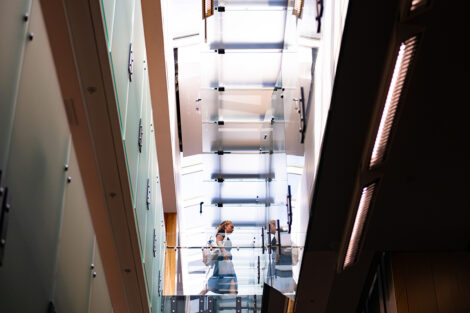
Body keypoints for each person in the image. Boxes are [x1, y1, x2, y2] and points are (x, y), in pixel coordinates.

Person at [199, 220, 238, 295]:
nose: (233, 229)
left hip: (224, 262)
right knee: (231, 281)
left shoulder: (225, 235)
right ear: (226, 226)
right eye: (231, 227)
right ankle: (234, 303)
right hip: (224, 261)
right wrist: (224, 252)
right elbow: (218, 242)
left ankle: (196, 297)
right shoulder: (221, 233)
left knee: (223, 280)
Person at [267, 220, 298, 294]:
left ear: (274, 225)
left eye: (269, 226)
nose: (267, 229)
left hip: (283, 264)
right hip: (283, 267)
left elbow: (287, 249)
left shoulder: (281, 234)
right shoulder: (278, 235)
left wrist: (277, 255)